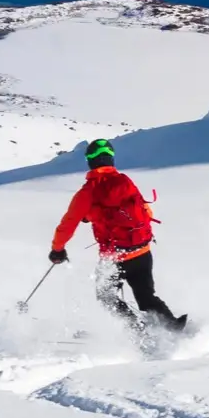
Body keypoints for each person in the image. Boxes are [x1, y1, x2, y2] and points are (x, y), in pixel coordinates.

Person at [48, 139, 185, 331]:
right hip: (142, 250)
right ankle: (173, 328)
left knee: (106, 296)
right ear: (111, 160)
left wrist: (57, 250)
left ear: (90, 161)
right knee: (146, 297)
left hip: (114, 256)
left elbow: (67, 224)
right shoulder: (126, 182)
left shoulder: (88, 192)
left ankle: (138, 332)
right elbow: (146, 213)